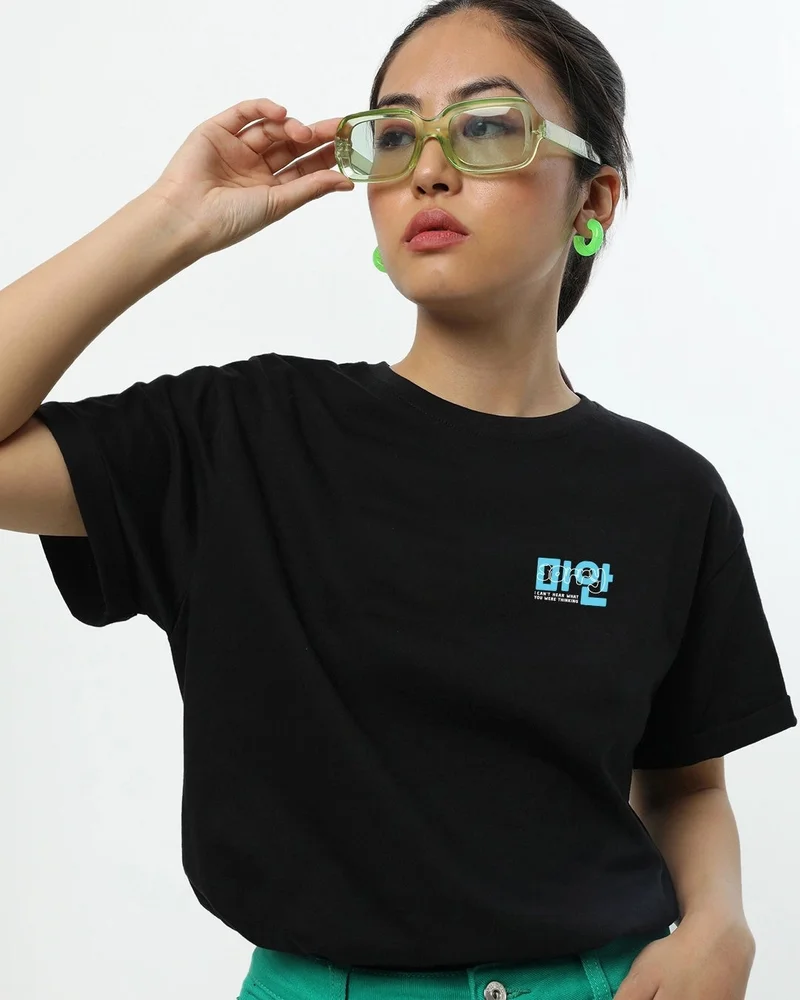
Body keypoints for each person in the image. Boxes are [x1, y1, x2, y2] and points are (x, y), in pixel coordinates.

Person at [0, 1, 795, 998]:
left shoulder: (667, 495)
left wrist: (719, 924)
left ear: (591, 201)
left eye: (486, 126)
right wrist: (174, 220)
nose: (429, 168)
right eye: (394, 136)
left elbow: (684, 781)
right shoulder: (242, 436)